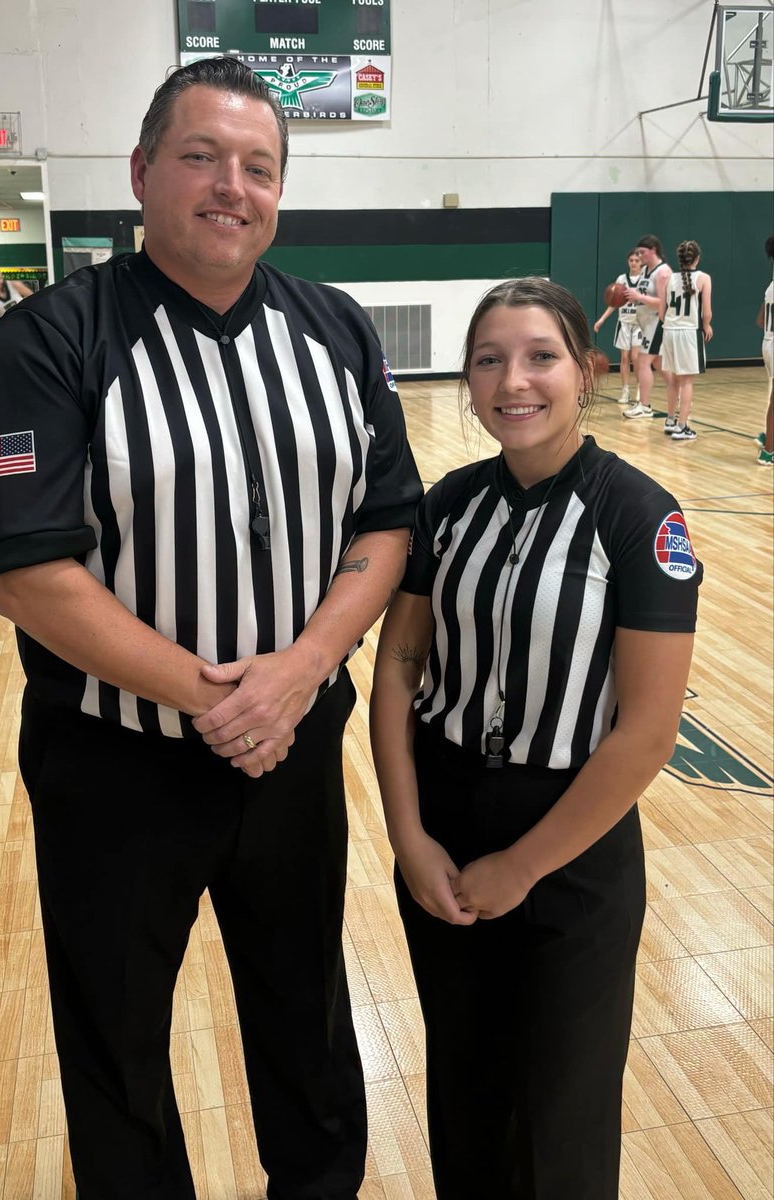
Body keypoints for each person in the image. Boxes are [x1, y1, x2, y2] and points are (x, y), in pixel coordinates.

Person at [0, 57, 422, 1200]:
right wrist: (220, 697)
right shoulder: (52, 340)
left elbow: (388, 520)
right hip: (116, 767)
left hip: (294, 756)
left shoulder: (336, 333)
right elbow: (26, 568)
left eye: (258, 166)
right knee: (116, 1042)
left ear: (279, 190)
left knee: (306, 1015)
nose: (232, 185)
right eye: (202, 157)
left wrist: (304, 670)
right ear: (141, 172)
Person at [370, 278, 701, 1200]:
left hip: (573, 839)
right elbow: (396, 670)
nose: (513, 380)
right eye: (489, 360)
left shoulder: (639, 516)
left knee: (562, 1107)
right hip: (444, 819)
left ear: (586, 371)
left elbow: (648, 731)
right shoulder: (447, 508)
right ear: (469, 380)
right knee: (466, 1089)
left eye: (540, 356)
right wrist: (409, 839)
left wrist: (522, 867)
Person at [658, 240, 713, 442]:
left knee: (673, 379)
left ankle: (670, 420)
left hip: (669, 331)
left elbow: (661, 313)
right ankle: (682, 426)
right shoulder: (703, 278)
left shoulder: (669, 279)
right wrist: (706, 326)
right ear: (697, 258)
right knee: (687, 381)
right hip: (689, 332)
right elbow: (706, 312)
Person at [622, 234, 675, 420]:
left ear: (653, 250)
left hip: (657, 321)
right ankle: (679, 397)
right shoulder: (645, 270)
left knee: (643, 361)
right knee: (659, 363)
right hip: (645, 321)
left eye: (643, 252)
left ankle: (643, 406)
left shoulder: (663, 272)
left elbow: (664, 302)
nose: (640, 256)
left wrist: (639, 297)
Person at [593, 248, 643, 404]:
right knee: (624, 358)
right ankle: (625, 391)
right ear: (628, 262)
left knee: (636, 357)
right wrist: (602, 320)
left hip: (640, 323)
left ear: (641, 262)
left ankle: (641, 389)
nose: (634, 263)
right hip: (624, 323)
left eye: (637, 260)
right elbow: (613, 304)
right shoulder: (622, 279)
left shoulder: (645, 280)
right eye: (631, 260)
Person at [755, 235, 773, 466]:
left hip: (768, 341)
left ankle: (769, 437)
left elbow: (761, 319)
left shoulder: (771, 285)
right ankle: (769, 450)